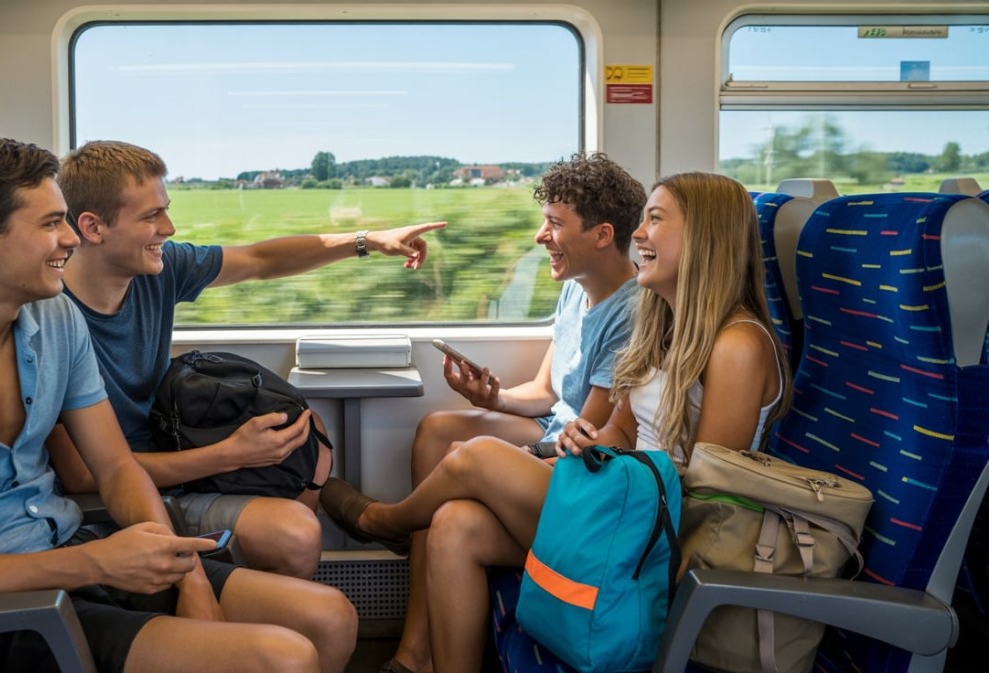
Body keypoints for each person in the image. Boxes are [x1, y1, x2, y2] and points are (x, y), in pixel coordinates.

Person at [0, 134, 357, 673]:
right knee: (282, 659)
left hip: (70, 546)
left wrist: (183, 570)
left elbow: (116, 467)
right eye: (51, 224)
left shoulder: (54, 319)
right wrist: (94, 561)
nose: (72, 239)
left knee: (329, 618)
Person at [322, 170, 793, 673]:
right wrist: (582, 442)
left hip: (654, 531)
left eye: (655, 221)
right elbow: (618, 432)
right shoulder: (664, 325)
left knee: (476, 455)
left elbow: (706, 494)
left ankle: (382, 521)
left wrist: (598, 474)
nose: (638, 235)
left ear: (704, 237)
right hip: (617, 498)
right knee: (453, 525)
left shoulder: (737, 345)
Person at [45, 140, 446, 579]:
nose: (170, 228)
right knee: (296, 532)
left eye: (166, 209)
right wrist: (230, 455)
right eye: (151, 216)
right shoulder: (53, 321)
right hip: (120, 493)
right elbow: (84, 475)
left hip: (172, 449)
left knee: (305, 431)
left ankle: (286, 573)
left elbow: (259, 260)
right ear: (93, 227)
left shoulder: (158, 272)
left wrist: (367, 241)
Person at [323, 151, 647, 673]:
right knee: (437, 430)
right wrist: (489, 397)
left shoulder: (631, 314)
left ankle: (386, 521)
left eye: (555, 225)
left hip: (578, 467)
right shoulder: (576, 288)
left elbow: (592, 437)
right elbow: (546, 393)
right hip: (552, 430)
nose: (541, 236)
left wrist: (515, 454)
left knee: (465, 460)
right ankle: (415, 654)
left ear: (603, 234)